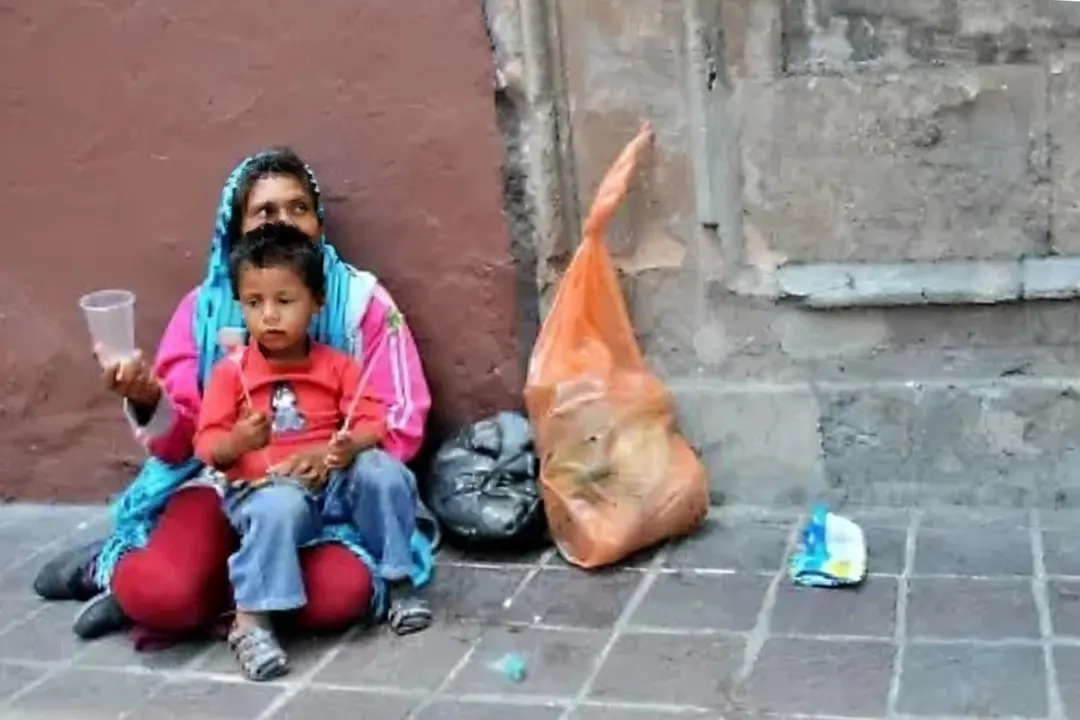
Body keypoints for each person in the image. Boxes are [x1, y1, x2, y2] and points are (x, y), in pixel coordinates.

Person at [33, 147, 437, 643]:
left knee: (342, 594)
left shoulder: (361, 305)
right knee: (166, 594)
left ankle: (207, 591)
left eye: (298, 208)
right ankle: (123, 571)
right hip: (225, 484)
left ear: (319, 223)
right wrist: (147, 398)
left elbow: (399, 417)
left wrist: (330, 459)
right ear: (236, 229)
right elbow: (185, 444)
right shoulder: (203, 312)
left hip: (328, 496)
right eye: (265, 212)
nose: (283, 223)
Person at [198, 223, 431, 680]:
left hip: (332, 484)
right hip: (266, 489)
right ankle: (251, 622)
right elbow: (208, 447)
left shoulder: (338, 366)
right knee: (279, 505)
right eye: (254, 303)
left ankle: (398, 580)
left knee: (381, 470)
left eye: (284, 301)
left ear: (317, 302)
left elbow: (372, 422)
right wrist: (238, 441)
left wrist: (345, 446)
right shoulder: (231, 374)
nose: (269, 316)